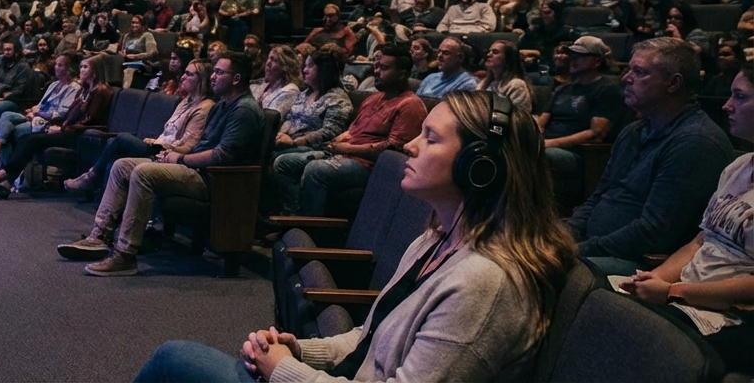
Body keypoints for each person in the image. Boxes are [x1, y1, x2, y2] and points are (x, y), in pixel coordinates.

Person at [136, 91, 576, 382]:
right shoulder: (437, 239)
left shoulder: (486, 283)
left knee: (174, 363)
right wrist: (302, 351)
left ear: (480, 169)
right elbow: (368, 337)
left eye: (431, 139)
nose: (409, 146)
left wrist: (285, 372)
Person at [58, 54, 264, 276]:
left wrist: (181, 158)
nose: (212, 77)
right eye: (213, 71)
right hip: (196, 169)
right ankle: (99, 236)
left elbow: (222, 155)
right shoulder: (223, 105)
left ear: (236, 79)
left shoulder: (243, 110)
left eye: (219, 72)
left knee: (143, 172)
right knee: (122, 165)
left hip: (216, 180)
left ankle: (125, 254)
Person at [619, 63, 754, 372]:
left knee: (636, 337)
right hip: (687, 295)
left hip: (734, 314)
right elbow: (699, 241)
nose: (727, 105)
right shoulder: (738, 166)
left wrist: (673, 292)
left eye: (740, 96)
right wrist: (656, 279)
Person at [567, 37, 737, 275]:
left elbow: (653, 233)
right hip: (596, 247)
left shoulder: (695, 142)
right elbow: (599, 196)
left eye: (638, 72)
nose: (625, 78)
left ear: (673, 83)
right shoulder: (633, 131)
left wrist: (575, 250)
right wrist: (565, 235)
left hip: (641, 264)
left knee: (539, 270)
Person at [273, 43, 426, 216]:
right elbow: (352, 130)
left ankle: (312, 229)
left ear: (402, 74)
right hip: (343, 154)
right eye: (376, 66)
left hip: (369, 165)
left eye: (384, 68)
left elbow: (393, 150)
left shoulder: (410, 105)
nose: (376, 71)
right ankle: (291, 217)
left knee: (316, 169)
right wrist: (340, 139)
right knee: (284, 163)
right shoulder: (373, 98)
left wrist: (346, 148)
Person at [61, 58, 215, 196]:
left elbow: (188, 145)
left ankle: (91, 178)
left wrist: (159, 145)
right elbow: (168, 131)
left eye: (189, 74)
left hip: (165, 151)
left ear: (201, 80)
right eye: (185, 73)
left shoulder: (204, 107)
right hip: (157, 144)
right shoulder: (186, 101)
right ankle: (102, 200)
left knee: (121, 138)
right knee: (114, 153)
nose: (182, 77)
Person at [0, 53, 112, 198]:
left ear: (95, 70)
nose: (81, 70)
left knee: (32, 139)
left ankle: (1, 175)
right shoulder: (85, 90)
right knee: (26, 138)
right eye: (81, 67)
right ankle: (6, 182)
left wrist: (62, 128)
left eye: (85, 67)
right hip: (67, 131)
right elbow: (69, 116)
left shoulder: (100, 91)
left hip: (79, 136)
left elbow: (89, 120)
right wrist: (58, 126)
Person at [0, 51, 82, 170]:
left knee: (13, 131)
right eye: (56, 64)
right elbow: (40, 105)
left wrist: (38, 113)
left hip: (48, 123)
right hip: (36, 118)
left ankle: (4, 170)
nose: (56, 68)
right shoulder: (53, 85)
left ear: (69, 68)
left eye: (60, 65)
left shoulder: (73, 88)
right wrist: (32, 111)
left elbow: (61, 114)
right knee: (6, 115)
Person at [272, 45, 353, 165]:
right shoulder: (305, 93)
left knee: (276, 158)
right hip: (289, 142)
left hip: (316, 148)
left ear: (323, 70)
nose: (304, 70)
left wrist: (294, 142)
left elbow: (329, 132)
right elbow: (290, 117)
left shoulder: (337, 98)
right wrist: (282, 134)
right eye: (305, 65)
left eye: (310, 66)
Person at [478, 39, 532, 112]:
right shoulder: (484, 83)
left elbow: (520, 116)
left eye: (495, 52)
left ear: (508, 59)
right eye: (489, 51)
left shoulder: (516, 85)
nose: (488, 55)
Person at [251, 44, 302, 117]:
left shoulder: (290, 91)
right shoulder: (259, 85)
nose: (268, 63)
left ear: (285, 66)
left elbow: (272, 119)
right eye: (268, 58)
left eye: (274, 60)